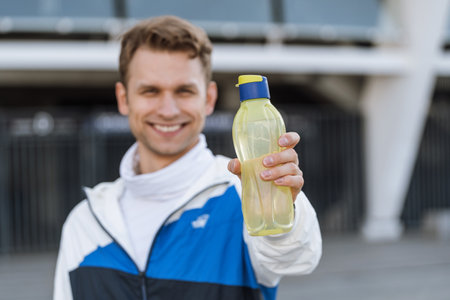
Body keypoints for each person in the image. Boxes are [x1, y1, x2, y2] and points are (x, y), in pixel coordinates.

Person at [53, 15, 322, 300]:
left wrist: (282, 201)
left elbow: (297, 258)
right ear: (123, 98)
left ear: (208, 98)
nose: (168, 110)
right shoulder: (84, 223)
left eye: (184, 91)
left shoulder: (242, 191)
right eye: (150, 91)